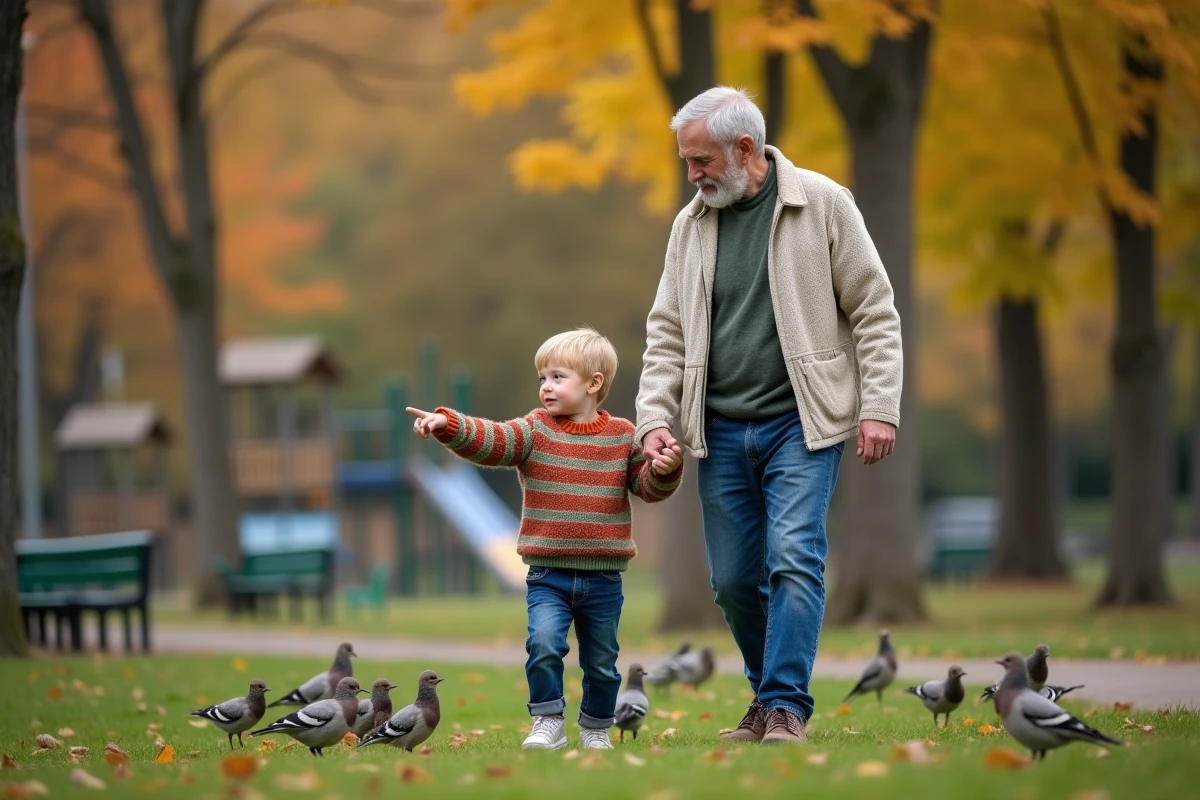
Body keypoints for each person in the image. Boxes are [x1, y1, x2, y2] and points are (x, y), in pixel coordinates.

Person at [635, 86, 904, 745]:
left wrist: (879, 407)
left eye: (700, 160)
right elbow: (667, 332)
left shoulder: (824, 204)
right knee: (730, 580)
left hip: (800, 424)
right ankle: (769, 694)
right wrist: (652, 420)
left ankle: (785, 707)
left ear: (745, 149)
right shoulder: (690, 225)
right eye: (686, 162)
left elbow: (874, 311)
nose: (691, 175)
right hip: (719, 427)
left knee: (794, 555)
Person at [407, 327, 684, 750]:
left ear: (593, 383)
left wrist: (664, 470)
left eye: (558, 376)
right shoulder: (536, 430)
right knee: (542, 645)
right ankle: (548, 721)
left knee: (602, 662)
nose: (546, 387)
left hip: (604, 579)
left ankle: (595, 729)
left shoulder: (623, 436)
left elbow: (647, 488)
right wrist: (449, 424)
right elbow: (494, 440)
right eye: (542, 378)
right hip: (547, 575)